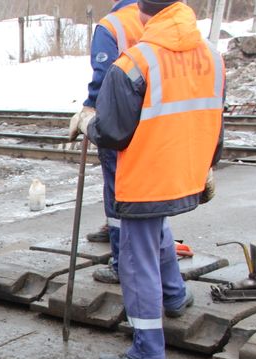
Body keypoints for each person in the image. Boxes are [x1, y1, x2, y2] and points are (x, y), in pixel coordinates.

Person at [76, 0, 223, 359]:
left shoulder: (135, 62)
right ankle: (174, 297)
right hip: (186, 171)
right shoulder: (211, 54)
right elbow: (214, 115)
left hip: (146, 178)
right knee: (158, 233)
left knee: (136, 262)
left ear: (142, 12)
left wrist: (87, 122)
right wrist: (208, 166)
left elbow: (113, 133)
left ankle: (147, 350)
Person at [69, 0, 144, 284]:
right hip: (154, 121)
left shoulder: (112, 25)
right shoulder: (160, 17)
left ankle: (122, 262)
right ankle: (135, 249)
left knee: (117, 191)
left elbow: (104, 77)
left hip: (120, 123)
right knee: (148, 195)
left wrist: (89, 108)